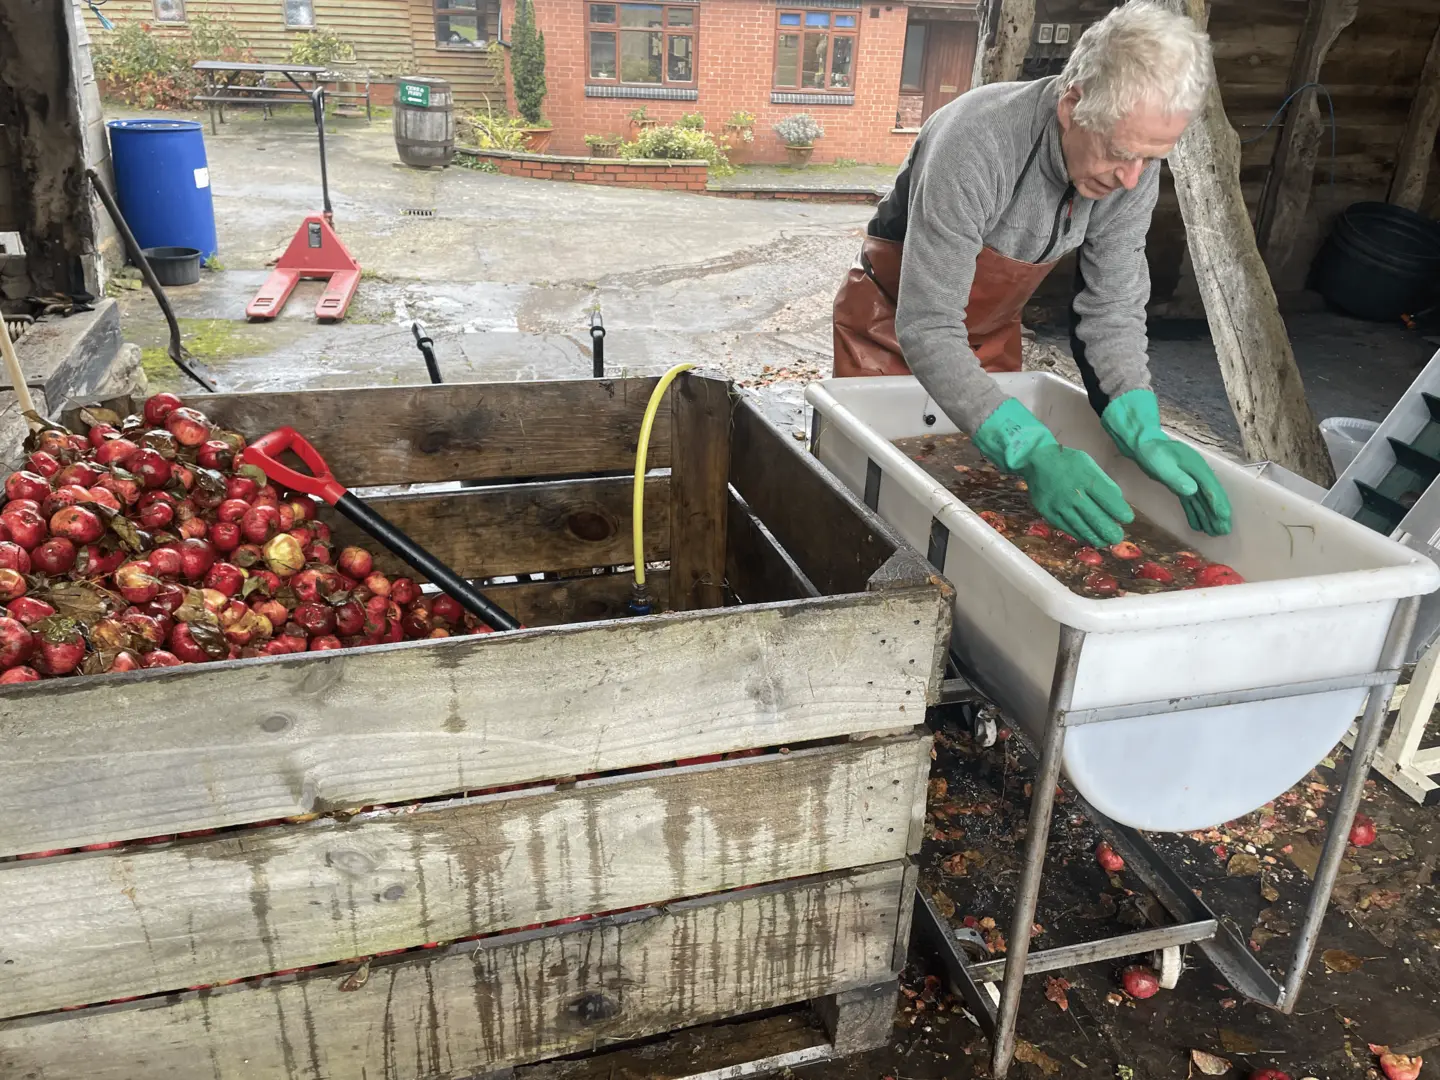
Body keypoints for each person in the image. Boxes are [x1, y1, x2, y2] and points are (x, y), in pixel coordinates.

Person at [831, 1, 1231, 549]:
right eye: (1121, 153)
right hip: (889, 324)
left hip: (990, 330)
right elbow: (926, 325)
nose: (1133, 180)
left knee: (985, 501)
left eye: (1151, 158)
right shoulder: (976, 143)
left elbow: (1112, 307)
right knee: (874, 505)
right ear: (1073, 103)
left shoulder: (1129, 168)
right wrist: (1033, 449)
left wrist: (1140, 422)